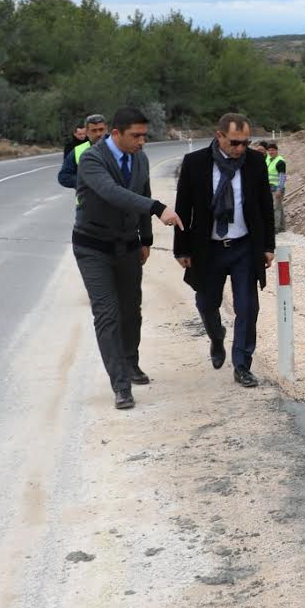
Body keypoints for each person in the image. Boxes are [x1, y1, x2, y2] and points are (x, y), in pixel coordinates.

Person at [72, 106, 184, 409]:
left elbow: (141, 191)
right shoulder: (93, 159)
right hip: (92, 246)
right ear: (116, 133)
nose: (142, 141)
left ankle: (131, 362)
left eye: (144, 136)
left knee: (131, 310)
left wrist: (145, 238)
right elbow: (112, 193)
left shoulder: (140, 158)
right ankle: (121, 385)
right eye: (136, 136)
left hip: (127, 246)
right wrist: (159, 208)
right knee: (106, 314)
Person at [172, 113, 275, 388]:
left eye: (245, 142)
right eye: (234, 143)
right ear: (219, 137)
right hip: (209, 249)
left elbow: (266, 205)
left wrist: (268, 245)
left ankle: (242, 365)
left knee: (248, 308)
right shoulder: (195, 164)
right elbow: (183, 209)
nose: (240, 148)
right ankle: (216, 336)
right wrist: (181, 249)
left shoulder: (254, 162)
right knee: (206, 304)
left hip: (243, 247)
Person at [57, 114, 108, 189]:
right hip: (87, 199)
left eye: (101, 129)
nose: (98, 134)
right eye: (94, 130)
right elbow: (63, 177)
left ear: (106, 129)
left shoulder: (118, 147)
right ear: (87, 132)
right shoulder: (78, 150)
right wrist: (87, 182)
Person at [264, 141, 287, 233]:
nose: (270, 152)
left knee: (275, 208)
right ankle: (282, 227)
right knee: (279, 207)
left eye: (272, 150)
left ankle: (276, 228)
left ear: (276, 151)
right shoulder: (268, 159)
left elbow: (282, 176)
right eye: (269, 150)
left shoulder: (280, 161)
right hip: (269, 187)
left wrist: (279, 189)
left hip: (277, 188)